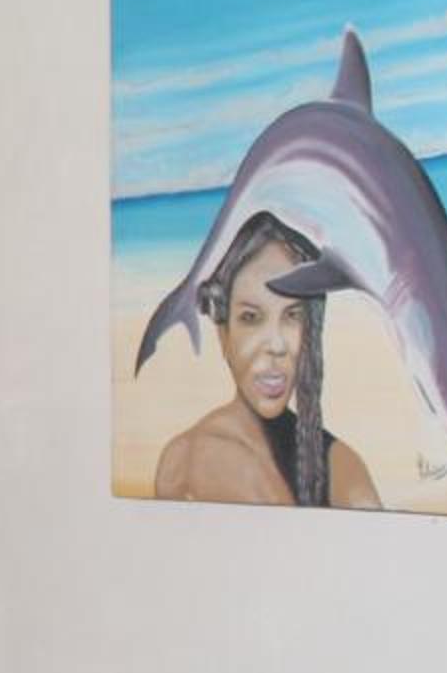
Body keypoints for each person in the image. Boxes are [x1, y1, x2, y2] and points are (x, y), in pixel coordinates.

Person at [154, 213, 382, 509]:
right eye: (251, 317)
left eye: (293, 316)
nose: (276, 345)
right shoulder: (181, 463)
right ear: (223, 332)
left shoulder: (343, 473)